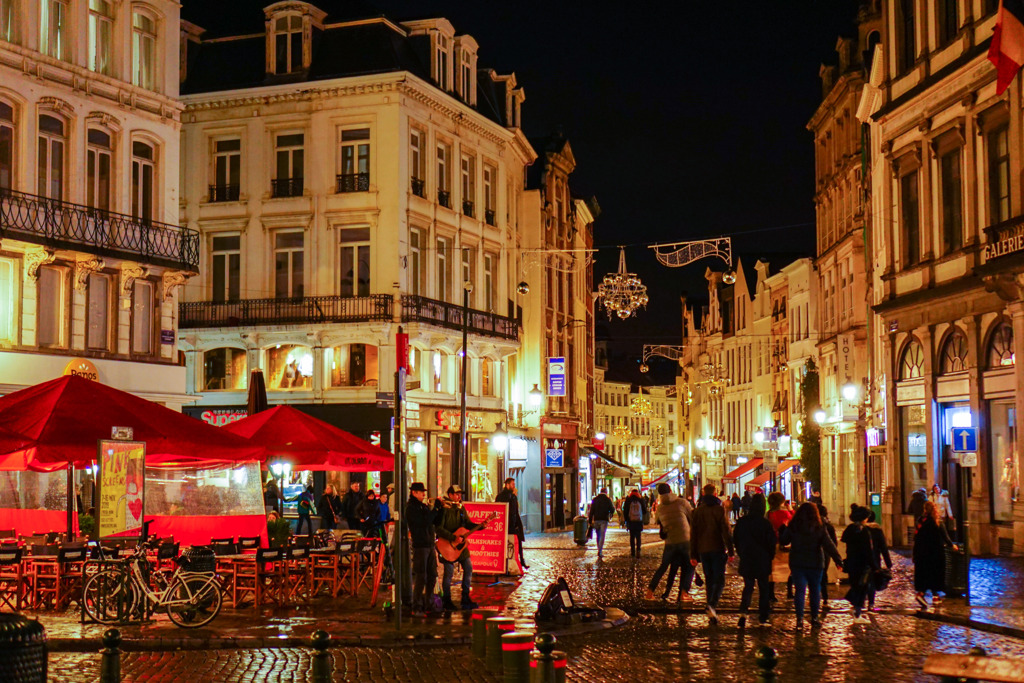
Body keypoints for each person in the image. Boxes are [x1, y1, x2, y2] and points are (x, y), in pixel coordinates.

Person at [781, 502, 843, 629]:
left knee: (800, 591)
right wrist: (838, 560)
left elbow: (784, 540)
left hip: (798, 563)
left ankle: (800, 620)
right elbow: (829, 544)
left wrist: (783, 528)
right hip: (815, 563)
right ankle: (814, 618)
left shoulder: (794, 526)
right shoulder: (819, 527)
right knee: (815, 591)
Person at [690, 484, 734, 624]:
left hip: (703, 550)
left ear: (703, 493)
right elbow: (726, 531)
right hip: (717, 548)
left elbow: (693, 534)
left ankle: (710, 606)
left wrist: (693, 554)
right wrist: (731, 550)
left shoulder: (697, 511)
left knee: (709, 579)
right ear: (715, 494)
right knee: (719, 579)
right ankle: (712, 605)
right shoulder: (719, 510)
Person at [732, 492, 776, 627]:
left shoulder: (742, 522)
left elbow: (736, 540)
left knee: (748, 587)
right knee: (764, 589)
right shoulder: (765, 523)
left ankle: (743, 613)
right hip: (762, 559)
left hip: (747, 557)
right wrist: (770, 556)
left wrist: (741, 553)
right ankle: (763, 617)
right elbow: (771, 543)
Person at [646, 483, 694, 603]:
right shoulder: (682, 502)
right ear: (671, 490)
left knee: (663, 566)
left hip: (670, 541)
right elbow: (693, 517)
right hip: (685, 539)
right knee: (690, 566)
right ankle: (684, 593)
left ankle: (650, 591)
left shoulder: (660, 507)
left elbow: (659, 523)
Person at [434, 484, 478, 610]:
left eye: (460, 494)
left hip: (460, 546)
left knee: (468, 567)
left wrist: (480, 525)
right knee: (449, 573)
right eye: (457, 494)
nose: (459, 496)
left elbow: (468, 524)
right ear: (450, 495)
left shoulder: (461, 508)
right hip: (447, 546)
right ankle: (447, 601)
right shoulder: (444, 509)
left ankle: (465, 598)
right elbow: (438, 529)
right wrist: (453, 538)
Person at [913, 500, 957, 611]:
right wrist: (952, 546)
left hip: (921, 553)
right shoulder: (937, 522)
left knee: (925, 574)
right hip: (935, 553)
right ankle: (934, 596)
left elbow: (916, 538)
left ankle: (924, 594)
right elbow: (946, 537)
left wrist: (915, 554)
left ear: (925, 510)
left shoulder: (921, 521)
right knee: (936, 573)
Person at [840, 506, 878, 622]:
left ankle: (856, 609)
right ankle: (857, 613)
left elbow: (844, 540)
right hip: (862, 564)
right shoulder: (865, 531)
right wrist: (874, 566)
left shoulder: (850, 529)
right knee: (862, 588)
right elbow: (868, 550)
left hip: (851, 561)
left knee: (855, 585)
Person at [405, 482, 438, 615]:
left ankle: (428, 603)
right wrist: (435, 510)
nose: (424, 494)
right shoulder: (412, 508)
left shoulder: (423, 506)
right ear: (414, 493)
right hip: (420, 545)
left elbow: (432, 521)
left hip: (429, 544)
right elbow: (424, 522)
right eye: (421, 492)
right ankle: (417, 605)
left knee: (432, 576)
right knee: (421, 576)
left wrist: (438, 511)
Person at [496, 478, 529, 569]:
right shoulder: (503, 496)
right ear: (507, 485)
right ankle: (506, 564)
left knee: (518, 542)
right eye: (512, 484)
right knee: (508, 544)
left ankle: (521, 560)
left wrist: (518, 523)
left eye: (514, 484)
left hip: (514, 523)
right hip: (506, 524)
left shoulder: (513, 496)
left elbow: (515, 511)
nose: (514, 486)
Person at [766, 491, 793, 601]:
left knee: (772, 570)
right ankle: (790, 592)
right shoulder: (785, 513)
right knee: (789, 569)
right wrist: (790, 509)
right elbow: (794, 520)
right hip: (783, 543)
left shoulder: (768, 513)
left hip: (772, 544)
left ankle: (771, 594)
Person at [865, 509, 893, 611]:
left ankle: (861, 602)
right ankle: (871, 603)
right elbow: (883, 548)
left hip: (863, 560)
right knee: (871, 581)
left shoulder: (862, 530)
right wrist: (888, 563)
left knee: (862, 580)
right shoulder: (877, 530)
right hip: (875, 560)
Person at [817, 505, 839, 609]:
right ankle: (825, 598)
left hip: (813, 553)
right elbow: (834, 542)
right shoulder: (828, 526)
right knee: (823, 575)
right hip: (826, 554)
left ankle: (814, 598)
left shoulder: (811, 525)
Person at [588, 488, 616, 558]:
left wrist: (590, 520)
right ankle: (600, 550)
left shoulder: (595, 499)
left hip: (596, 519)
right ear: (606, 492)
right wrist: (610, 512)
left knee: (598, 535)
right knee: (602, 535)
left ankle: (598, 548)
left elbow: (591, 511)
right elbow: (612, 510)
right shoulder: (607, 499)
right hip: (604, 520)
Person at [623, 490, 647, 558]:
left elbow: (625, 511)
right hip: (639, 520)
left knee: (632, 536)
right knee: (638, 536)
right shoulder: (640, 499)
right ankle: (638, 550)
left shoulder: (628, 500)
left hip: (631, 520)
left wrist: (626, 520)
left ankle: (633, 551)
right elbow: (645, 511)